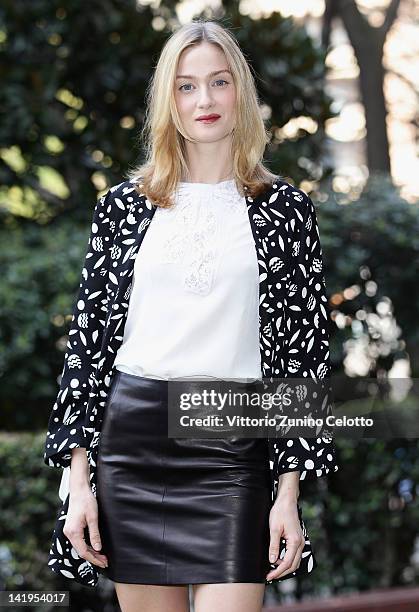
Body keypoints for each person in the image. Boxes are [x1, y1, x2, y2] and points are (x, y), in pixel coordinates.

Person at [43, 19, 339, 612]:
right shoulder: (123, 208)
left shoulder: (285, 210)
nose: (204, 100)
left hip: (233, 448)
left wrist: (288, 494)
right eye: (186, 86)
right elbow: (88, 352)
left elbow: (300, 361)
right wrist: (78, 484)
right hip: (133, 446)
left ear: (241, 93)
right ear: (168, 100)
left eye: (219, 82)